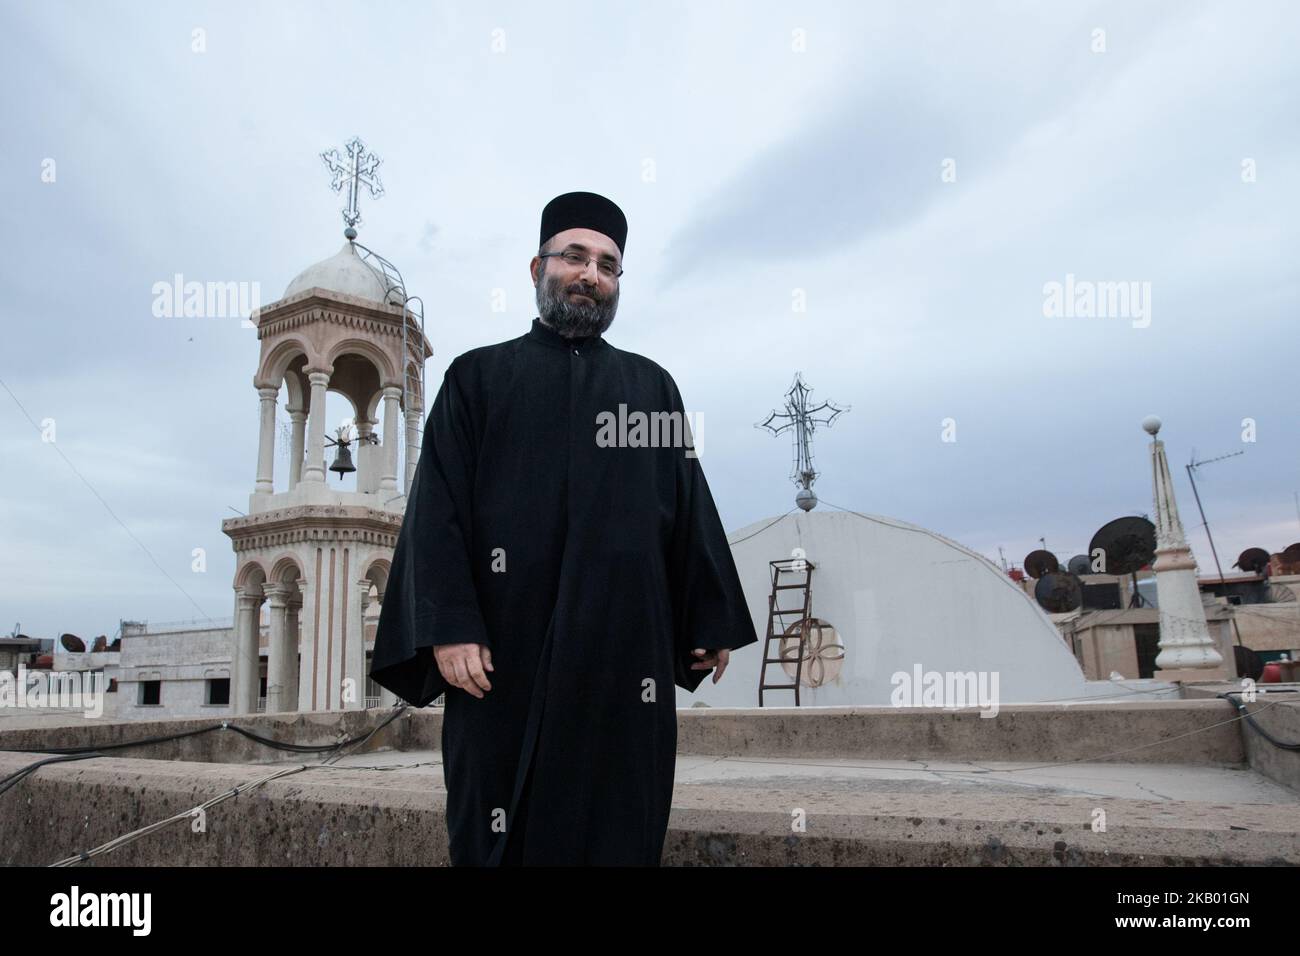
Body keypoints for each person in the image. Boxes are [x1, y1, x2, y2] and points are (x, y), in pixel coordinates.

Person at [369, 190, 757, 866]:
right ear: (537, 268)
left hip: (622, 669)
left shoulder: (652, 389)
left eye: (608, 265)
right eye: (575, 257)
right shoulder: (477, 380)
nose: (590, 275)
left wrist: (708, 619)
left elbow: (687, 507)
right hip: (499, 668)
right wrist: (449, 624)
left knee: (619, 834)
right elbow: (437, 512)